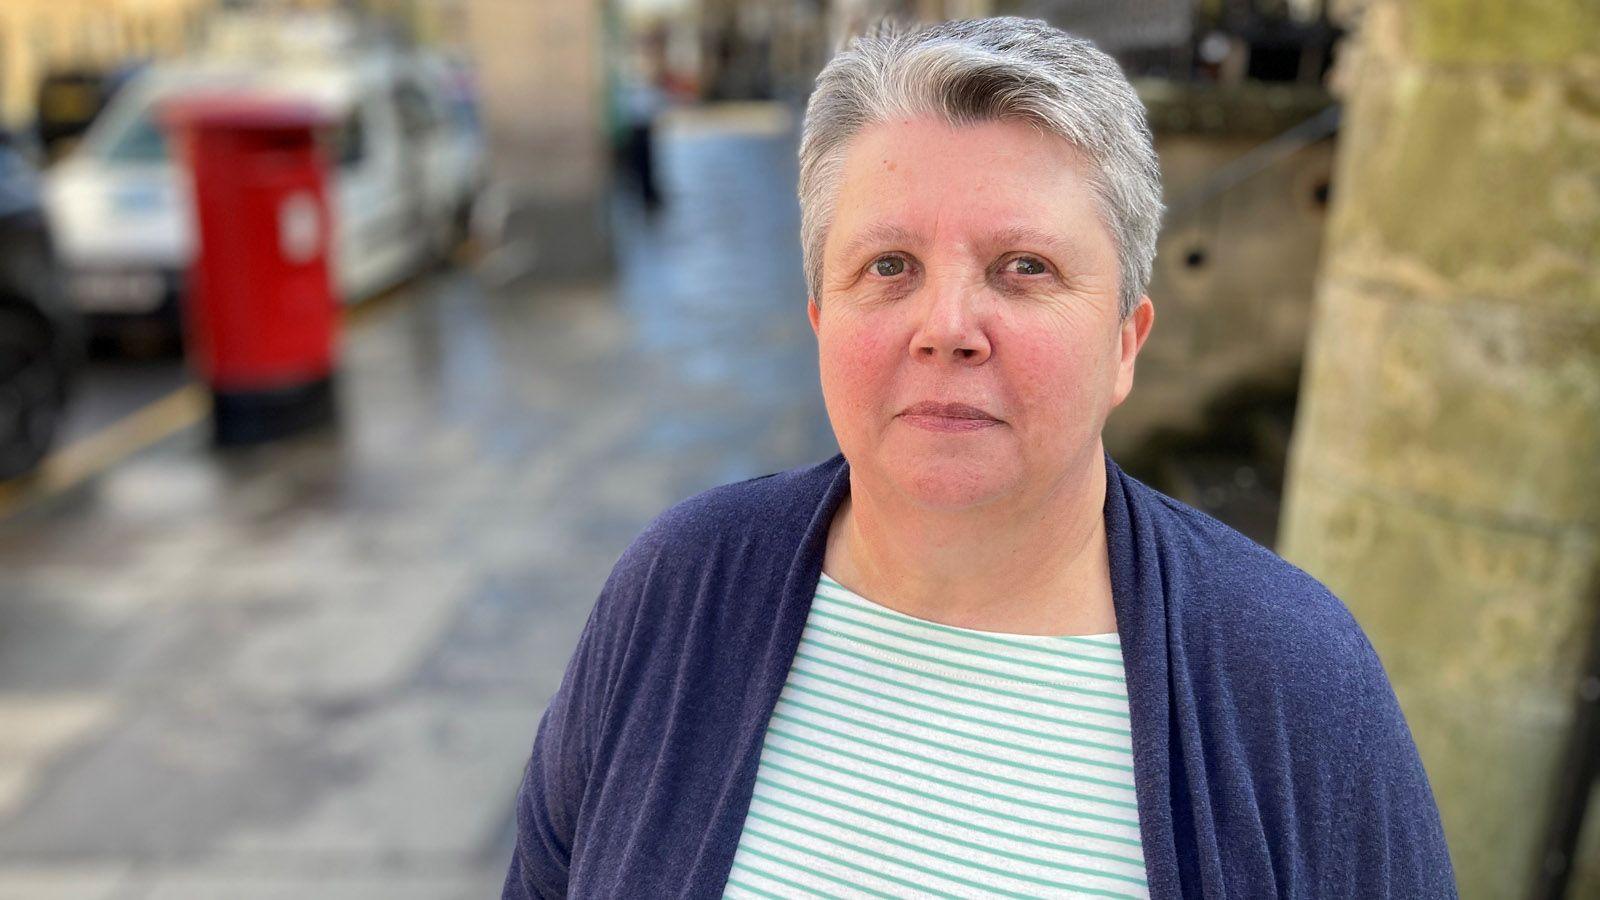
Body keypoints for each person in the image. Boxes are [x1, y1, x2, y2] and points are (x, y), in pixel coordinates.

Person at [502, 16, 1456, 899]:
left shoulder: (1294, 681)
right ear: (822, 323)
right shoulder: (679, 589)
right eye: (889, 267)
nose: (947, 328)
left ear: (1126, 342)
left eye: (1024, 268)